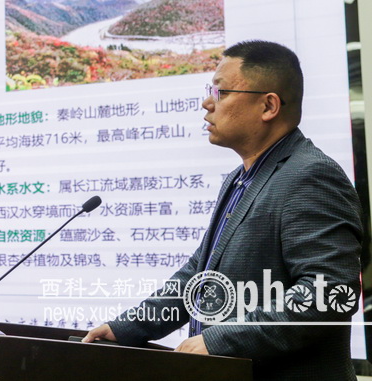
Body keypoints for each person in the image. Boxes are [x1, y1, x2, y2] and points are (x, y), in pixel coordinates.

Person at [83, 40, 363, 381]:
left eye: (222, 92)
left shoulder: (310, 175)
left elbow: (328, 294)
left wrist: (220, 341)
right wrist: (127, 327)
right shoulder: (239, 178)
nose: (207, 103)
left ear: (269, 106)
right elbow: (199, 277)